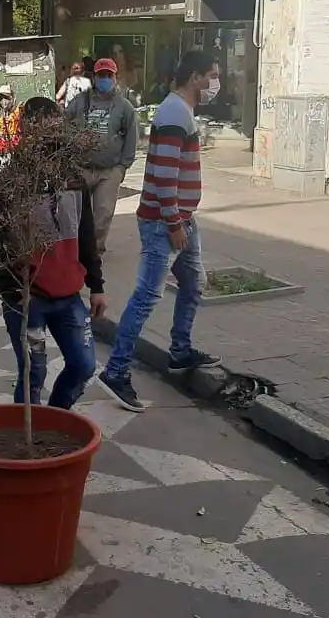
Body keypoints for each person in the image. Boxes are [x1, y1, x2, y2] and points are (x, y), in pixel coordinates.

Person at [96, 51, 223, 412]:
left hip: (180, 218)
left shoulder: (180, 111)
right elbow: (165, 176)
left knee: (193, 283)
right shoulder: (173, 112)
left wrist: (181, 218)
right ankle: (116, 371)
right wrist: (173, 222)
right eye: (212, 75)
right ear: (195, 76)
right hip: (164, 222)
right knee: (147, 295)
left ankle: (180, 352)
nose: (216, 83)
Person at [0, 97, 108, 408]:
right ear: (26, 130)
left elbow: (86, 237)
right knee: (33, 372)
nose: (51, 134)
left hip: (68, 297)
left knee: (84, 365)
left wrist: (97, 286)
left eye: (55, 126)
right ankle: (28, 436)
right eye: (41, 127)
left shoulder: (74, 181)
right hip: (27, 299)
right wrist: (11, 289)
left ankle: (56, 418)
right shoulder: (6, 185)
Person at [64, 58, 139, 254]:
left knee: (103, 215)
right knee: (75, 214)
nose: (105, 79)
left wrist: (123, 167)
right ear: (94, 77)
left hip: (109, 171)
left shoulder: (124, 107)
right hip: (81, 168)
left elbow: (132, 137)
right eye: (101, 75)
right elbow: (63, 123)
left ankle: (94, 250)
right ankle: (77, 249)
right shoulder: (80, 102)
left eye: (109, 75)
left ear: (115, 77)